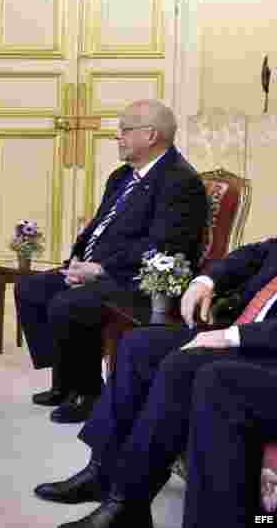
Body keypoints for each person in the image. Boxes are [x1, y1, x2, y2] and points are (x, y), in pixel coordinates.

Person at [34, 237, 277, 528]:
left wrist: (233, 337)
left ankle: (127, 501)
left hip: (265, 349)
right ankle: (104, 473)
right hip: (248, 331)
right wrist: (206, 280)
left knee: (183, 366)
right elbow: (255, 253)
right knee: (140, 345)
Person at [15, 100, 208, 423]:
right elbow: (97, 226)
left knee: (69, 304)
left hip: (139, 280)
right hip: (100, 268)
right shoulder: (121, 176)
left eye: (124, 130)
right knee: (31, 288)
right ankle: (65, 381)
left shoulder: (179, 182)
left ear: (150, 135)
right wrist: (77, 259)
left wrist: (100, 269)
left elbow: (162, 245)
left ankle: (91, 393)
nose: (116, 136)